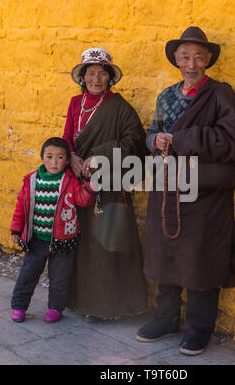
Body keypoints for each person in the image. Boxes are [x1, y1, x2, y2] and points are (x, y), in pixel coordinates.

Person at [136, 26, 235, 355]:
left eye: (198, 56)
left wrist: (183, 139)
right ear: (176, 58)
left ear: (209, 60)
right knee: (164, 253)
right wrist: (153, 140)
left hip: (204, 192)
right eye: (185, 56)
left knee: (202, 257)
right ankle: (166, 317)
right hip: (168, 188)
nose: (191, 63)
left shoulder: (220, 95)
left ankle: (201, 326)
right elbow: (152, 132)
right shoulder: (167, 96)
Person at [62, 47, 148, 319]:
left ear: (110, 78)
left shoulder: (120, 107)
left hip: (110, 187)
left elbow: (135, 143)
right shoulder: (75, 104)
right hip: (79, 185)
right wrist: (72, 157)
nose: (96, 79)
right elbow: (66, 137)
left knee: (105, 245)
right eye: (90, 73)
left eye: (102, 73)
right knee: (79, 242)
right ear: (82, 78)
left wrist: (102, 155)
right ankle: (78, 300)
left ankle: (109, 306)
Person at [10, 137, 96, 323]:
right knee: (28, 274)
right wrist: (16, 230)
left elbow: (84, 200)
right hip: (36, 240)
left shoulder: (70, 182)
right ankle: (18, 306)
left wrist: (90, 183)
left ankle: (55, 308)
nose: (54, 162)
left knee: (60, 278)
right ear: (42, 158)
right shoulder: (31, 181)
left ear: (67, 160)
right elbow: (20, 208)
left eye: (60, 157)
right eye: (49, 156)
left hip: (62, 241)